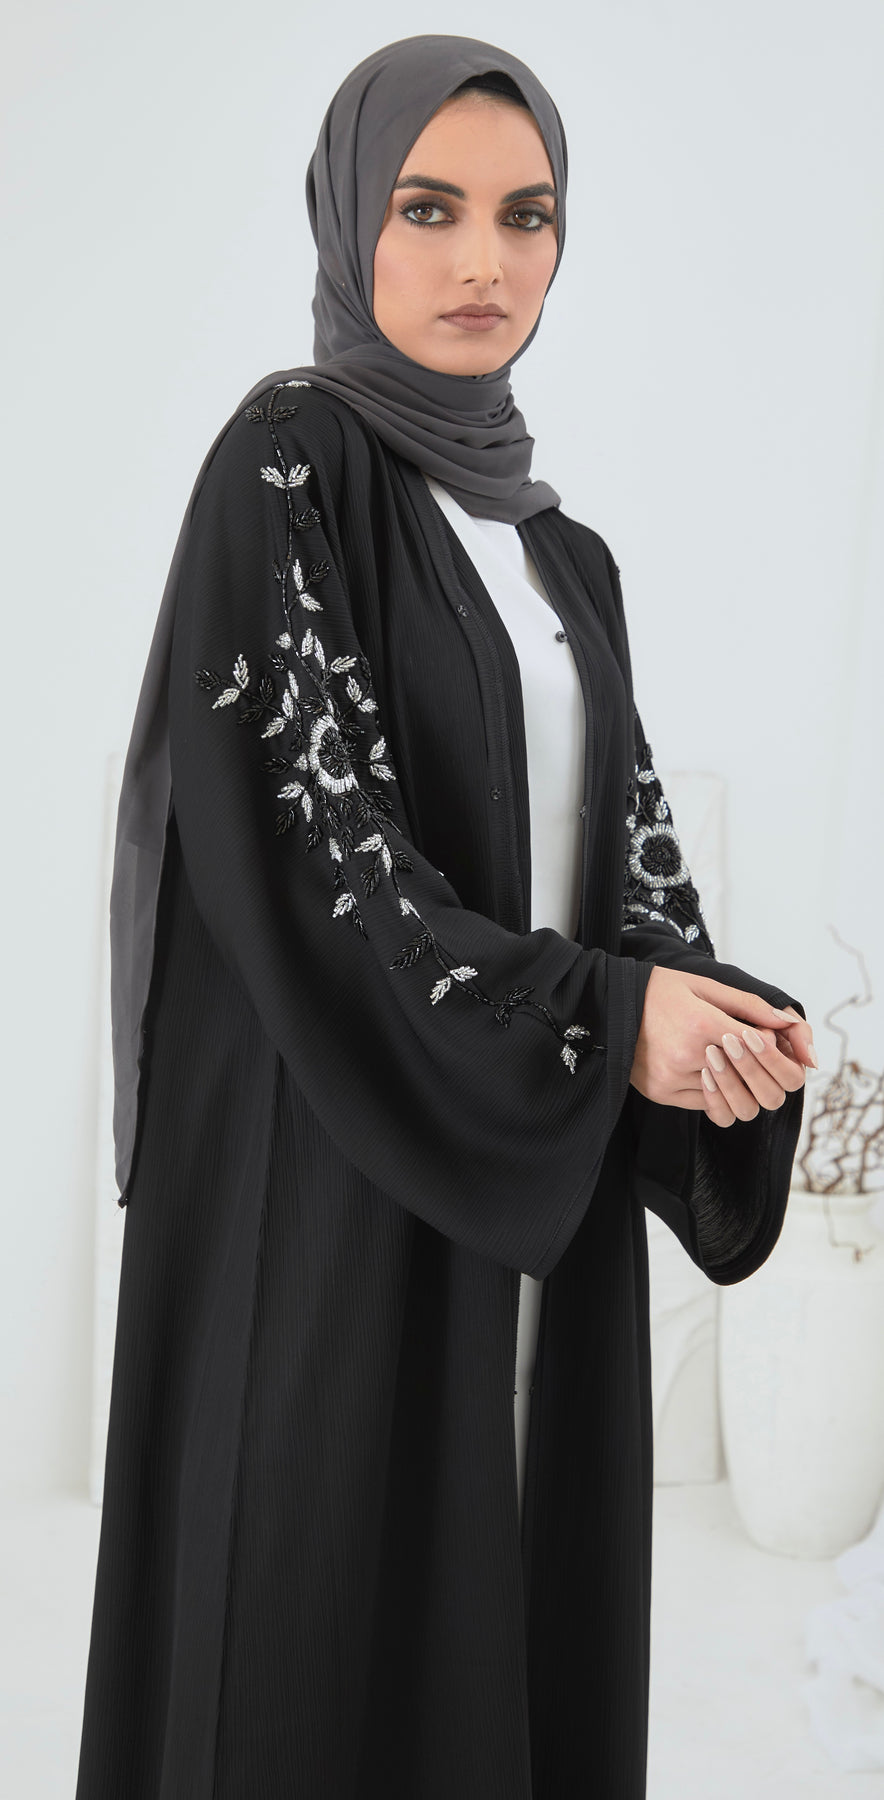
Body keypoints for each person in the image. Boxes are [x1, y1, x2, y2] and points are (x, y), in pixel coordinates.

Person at [75, 34, 814, 1800]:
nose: (485, 261)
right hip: (334, 1174)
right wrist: (600, 1020)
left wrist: (705, 1012)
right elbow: (321, 853)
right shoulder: (287, 465)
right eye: (430, 209)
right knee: (311, 1629)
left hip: (536, 1173)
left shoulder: (565, 557)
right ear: (351, 219)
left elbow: (623, 853)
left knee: (518, 1611)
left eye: (526, 215)